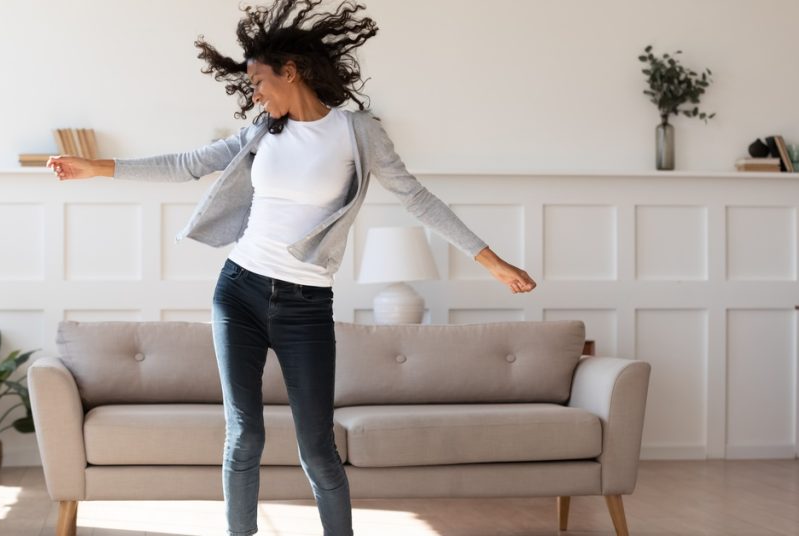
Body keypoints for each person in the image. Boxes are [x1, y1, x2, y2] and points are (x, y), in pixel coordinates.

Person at [46, 1, 536, 534]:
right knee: (245, 435)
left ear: (292, 71)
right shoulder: (262, 132)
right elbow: (189, 164)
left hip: (306, 304)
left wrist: (491, 261)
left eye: (259, 82)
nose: (255, 95)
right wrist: (96, 168)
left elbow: (417, 198)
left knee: (317, 447)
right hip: (239, 291)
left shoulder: (357, 133)